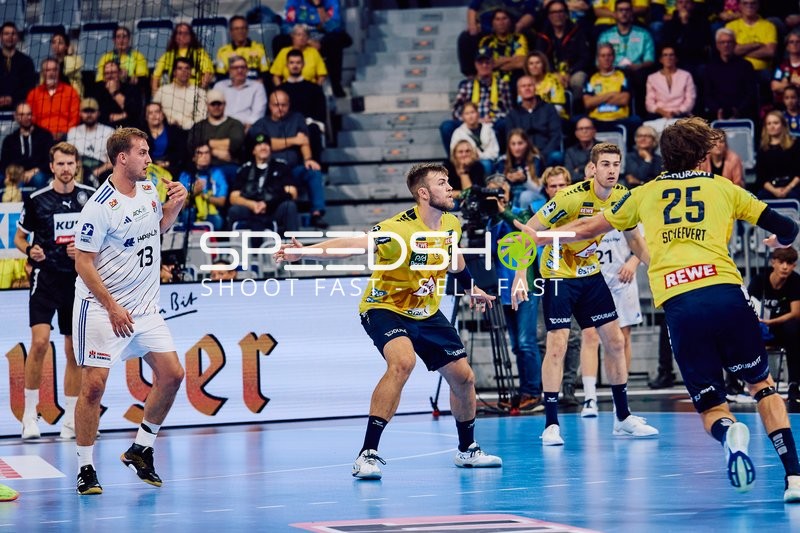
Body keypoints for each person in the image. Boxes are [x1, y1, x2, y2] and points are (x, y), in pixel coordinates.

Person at [535, 116, 800, 501]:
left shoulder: (642, 194)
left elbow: (588, 228)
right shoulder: (724, 187)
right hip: (725, 293)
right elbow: (787, 226)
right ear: (701, 154)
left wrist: (536, 235)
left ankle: (730, 435)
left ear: (665, 154)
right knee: (762, 387)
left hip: (681, 304)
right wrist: (780, 237)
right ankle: (794, 477)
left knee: (712, 407)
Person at [274, 163, 502, 479]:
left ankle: (467, 450)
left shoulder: (450, 223)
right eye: (442, 183)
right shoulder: (397, 228)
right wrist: (307, 253)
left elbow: (455, 257)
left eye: (448, 181)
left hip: (426, 310)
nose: (450, 187)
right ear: (424, 193)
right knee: (402, 362)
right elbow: (355, 245)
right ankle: (367, 454)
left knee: (464, 378)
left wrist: (471, 287)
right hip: (384, 306)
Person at [512, 142, 658, 446]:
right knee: (557, 344)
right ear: (592, 168)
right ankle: (551, 424)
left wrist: (658, 268)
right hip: (557, 275)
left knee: (616, 341)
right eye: (605, 164)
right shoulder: (571, 197)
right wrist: (518, 277)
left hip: (590, 273)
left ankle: (622, 418)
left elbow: (635, 241)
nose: (611, 170)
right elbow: (527, 231)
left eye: (616, 164)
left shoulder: (622, 198)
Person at [72, 127, 188, 495]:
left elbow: (155, 229)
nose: (149, 159)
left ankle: (142, 449)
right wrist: (113, 306)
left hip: (145, 309)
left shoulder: (150, 190)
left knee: (172, 374)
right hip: (102, 309)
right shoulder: (98, 207)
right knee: (93, 387)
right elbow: (84, 263)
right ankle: (85, 468)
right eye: (142, 153)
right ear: (122, 158)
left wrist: (174, 208)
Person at [13, 142, 95, 440]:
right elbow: (20, 237)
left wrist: (85, 250)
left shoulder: (90, 198)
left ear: (76, 166)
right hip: (45, 279)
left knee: (74, 349)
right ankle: (29, 416)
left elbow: (102, 239)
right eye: (60, 164)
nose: (65, 169)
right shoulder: (37, 199)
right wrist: (30, 250)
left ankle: (71, 420)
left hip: (77, 281)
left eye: (70, 164)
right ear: (52, 166)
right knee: (39, 342)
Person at [578, 164, 643, 417]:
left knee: (622, 338)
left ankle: (620, 400)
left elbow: (641, 241)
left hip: (622, 280)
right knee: (591, 336)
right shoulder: (578, 203)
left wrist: (633, 261)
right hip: (594, 279)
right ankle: (590, 398)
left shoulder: (624, 200)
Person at [487, 174, 544, 412]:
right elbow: (488, 248)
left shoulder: (522, 212)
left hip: (526, 285)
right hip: (502, 286)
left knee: (525, 342)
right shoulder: (487, 218)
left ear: (509, 191)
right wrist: (490, 216)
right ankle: (524, 391)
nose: (498, 194)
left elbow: (525, 232)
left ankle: (533, 391)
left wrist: (502, 211)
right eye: (493, 190)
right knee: (515, 345)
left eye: (501, 189)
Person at [248, 89, 328, 229]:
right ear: (270, 106)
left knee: (313, 172)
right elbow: (265, 145)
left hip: (292, 170)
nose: (280, 108)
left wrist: (308, 159)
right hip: (271, 173)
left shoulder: (297, 118)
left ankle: (317, 213)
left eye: (284, 105)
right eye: (276, 105)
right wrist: (293, 140)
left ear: (289, 104)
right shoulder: (261, 124)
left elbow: (303, 141)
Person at [748, 247, 800, 407]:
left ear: (794, 266)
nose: (785, 267)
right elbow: (747, 306)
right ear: (773, 263)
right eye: (781, 262)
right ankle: (734, 385)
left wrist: (771, 322)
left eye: (789, 263)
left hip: (782, 329)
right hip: (760, 328)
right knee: (739, 332)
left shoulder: (795, 281)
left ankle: (794, 385)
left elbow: (796, 313)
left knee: (795, 330)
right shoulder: (759, 280)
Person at [228, 133, 299, 234]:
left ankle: (294, 246)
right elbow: (233, 197)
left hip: (273, 208)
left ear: (270, 149)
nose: (263, 147)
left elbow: (293, 193)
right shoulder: (245, 169)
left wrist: (267, 204)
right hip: (251, 210)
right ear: (253, 151)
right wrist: (252, 205)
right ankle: (234, 246)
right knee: (234, 210)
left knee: (289, 206)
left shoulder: (281, 166)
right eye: (259, 145)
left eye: (266, 144)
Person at [533, 0, 590, 102]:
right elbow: (540, 57)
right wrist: (554, 74)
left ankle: (576, 111)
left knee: (578, 81)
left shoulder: (577, 31)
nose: (557, 15)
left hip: (573, 72)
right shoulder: (543, 34)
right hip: (550, 72)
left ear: (566, 14)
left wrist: (569, 73)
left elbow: (585, 57)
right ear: (549, 16)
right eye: (553, 12)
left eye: (560, 12)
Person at [186, 89, 246, 185]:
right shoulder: (199, 126)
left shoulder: (235, 124)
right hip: (203, 167)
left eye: (219, 104)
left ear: (224, 104)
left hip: (228, 166)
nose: (216, 107)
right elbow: (192, 145)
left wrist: (206, 143)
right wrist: (215, 151)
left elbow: (235, 144)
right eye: (213, 104)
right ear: (207, 105)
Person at [506, 75, 563, 167]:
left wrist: (542, 155)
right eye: (523, 86)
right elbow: (510, 138)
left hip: (546, 152)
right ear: (518, 91)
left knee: (556, 156)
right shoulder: (512, 114)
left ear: (535, 88)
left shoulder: (549, 109)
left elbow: (556, 135)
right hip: (522, 154)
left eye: (530, 85)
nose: (527, 88)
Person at [0, 102, 54, 194]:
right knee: (13, 181)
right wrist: (17, 173)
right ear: (15, 116)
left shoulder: (45, 135)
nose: (26, 117)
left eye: (29, 114)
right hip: (16, 174)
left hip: (38, 173)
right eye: (22, 114)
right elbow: (4, 163)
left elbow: (50, 160)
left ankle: (41, 206)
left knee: (39, 178)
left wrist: (34, 171)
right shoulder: (9, 140)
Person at [704, 28, 758, 121]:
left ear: (735, 44)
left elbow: (751, 93)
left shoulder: (746, 66)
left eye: (729, 42)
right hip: (716, 116)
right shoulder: (710, 68)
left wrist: (738, 110)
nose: (726, 45)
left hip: (742, 114)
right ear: (717, 45)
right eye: (722, 42)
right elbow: (707, 94)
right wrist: (718, 110)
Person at [26, 58, 80, 142]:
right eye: (47, 70)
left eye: (54, 70)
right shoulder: (33, 94)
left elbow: (75, 117)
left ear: (59, 72)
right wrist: (45, 133)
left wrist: (64, 131)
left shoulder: (70, 92)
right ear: (42, 73)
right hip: (41, 135)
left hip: (66, 135)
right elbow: (31, 118)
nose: (51, 73)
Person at [644, 46, 696, 132]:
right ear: (661, 59)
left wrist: (676, 112)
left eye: (671, 55)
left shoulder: (686, 76)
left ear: (676, 58)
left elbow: (690, 100)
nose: (668, 58)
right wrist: (663, 112)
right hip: (659, 114)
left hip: (681, 114)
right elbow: (649, 103)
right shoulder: (652, 78)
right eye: (665, 55)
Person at [152, 23, 214, 93]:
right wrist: (155, 95)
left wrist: (201, 91)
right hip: (172, 93)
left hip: (193, 92)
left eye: (186, 33)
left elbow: (208, 73)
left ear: (191, 36)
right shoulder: (167, 55)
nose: (183, 36)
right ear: (175, 37)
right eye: (180, 33)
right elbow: (155, 77)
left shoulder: (200, 53)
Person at [177, 143, 228, 231]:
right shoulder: (185, 175)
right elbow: (180, 205)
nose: (204, 156)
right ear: (193, 157)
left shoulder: (217, 173)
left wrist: (204, 196)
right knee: (187, 215)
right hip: (191, 211)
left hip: (212, 212)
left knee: (217, 220)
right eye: (200, 153)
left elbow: (222, 201)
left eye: (207, 153)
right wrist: (193, 193)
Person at [67, 98, 115, 186]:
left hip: (102, 172)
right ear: (80, 113)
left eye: (92, 111)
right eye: (86, 111)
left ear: (98, 113)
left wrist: (96, 172)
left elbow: (113, 161)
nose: (89, 114)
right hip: (79, 170)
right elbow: (70, 157)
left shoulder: (108, 131)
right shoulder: (73, 132)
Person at [213, 55, 267, 133]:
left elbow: (258, 112)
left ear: (247, 70)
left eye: (243, 67)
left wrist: (247, 126)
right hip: (222, 127)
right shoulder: (219, 86)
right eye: (235, 68)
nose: (240, 70)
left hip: (247, 128)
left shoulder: (257, 87)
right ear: (229, 70)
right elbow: (214, 109)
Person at [151, 57, 208, 131]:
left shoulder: (200, 92)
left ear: (191, 72)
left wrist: (186, 125)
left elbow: (202, 117)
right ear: (174, 72)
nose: (184, 71)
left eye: (187, 68)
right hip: (167, 131)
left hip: (191, 132)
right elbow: (154, 111)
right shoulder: (162, 91)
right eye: (180, 68)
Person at [755, 110, 800, 201]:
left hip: (791, 186)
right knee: (760, 198)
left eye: (775, 123)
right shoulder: (763, 149)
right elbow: (761, 178)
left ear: (783, 125)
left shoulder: (794, 145)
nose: (772, 126)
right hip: (770, 188)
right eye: (769, 123)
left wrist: (787, 189)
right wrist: (774, 191)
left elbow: (798, 173)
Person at [494, 128, 543, 208]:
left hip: (532, 196)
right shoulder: (502, 161)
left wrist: (524, 179)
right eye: (513, 144)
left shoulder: (535, 160)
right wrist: (506, 180)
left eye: (520, 143)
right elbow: (495, 187)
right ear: (509, 145)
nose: (516, 148)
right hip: (510, 195)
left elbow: (539, 190)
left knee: (525, 196)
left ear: (527, 143)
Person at [215, 16, 270, 83]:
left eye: (243, 28)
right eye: (236, 29)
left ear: (247, 30)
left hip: (255, 85)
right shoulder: (223, 52)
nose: (240, 31)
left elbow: (265, 73)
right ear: (231, 32)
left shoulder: (259, 49)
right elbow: (221, 76)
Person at [449, 101, 500, 173]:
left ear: (478, 114)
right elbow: (453, 153)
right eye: (467, 113)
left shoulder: (488, 129)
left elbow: (494, 152)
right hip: (465, 162)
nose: (470, 116)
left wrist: (479, 156)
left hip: (486, 161)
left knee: (486, 164)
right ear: (463, 117)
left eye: (472, 112)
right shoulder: (458, 133)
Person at [91, 60, 143, 130]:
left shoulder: (131, 89)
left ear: (119, 73)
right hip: (104, 129)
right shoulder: (97, 90)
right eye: (107, 73)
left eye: (113, 72)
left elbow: (134, 112)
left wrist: (115, 93)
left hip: (128, 128)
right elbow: (99, 115)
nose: (110, 76)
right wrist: (124, 115)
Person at [0, 22, 36, 113]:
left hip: (19, 110)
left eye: (13, 34)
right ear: (1, 37)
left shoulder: (26, 61)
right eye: (6, 34)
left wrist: (12, 99)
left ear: (18, 37)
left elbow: (29, 87)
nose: (10, 37)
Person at [564, 117, 599, 182]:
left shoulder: (602, 148)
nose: (584, 131)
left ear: (594, 131)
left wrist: (579, 169)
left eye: (587, 128)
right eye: (581, 129)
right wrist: (588, 174)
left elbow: (603, 173)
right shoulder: (570, 152)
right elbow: (569, 175)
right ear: (576, 133)